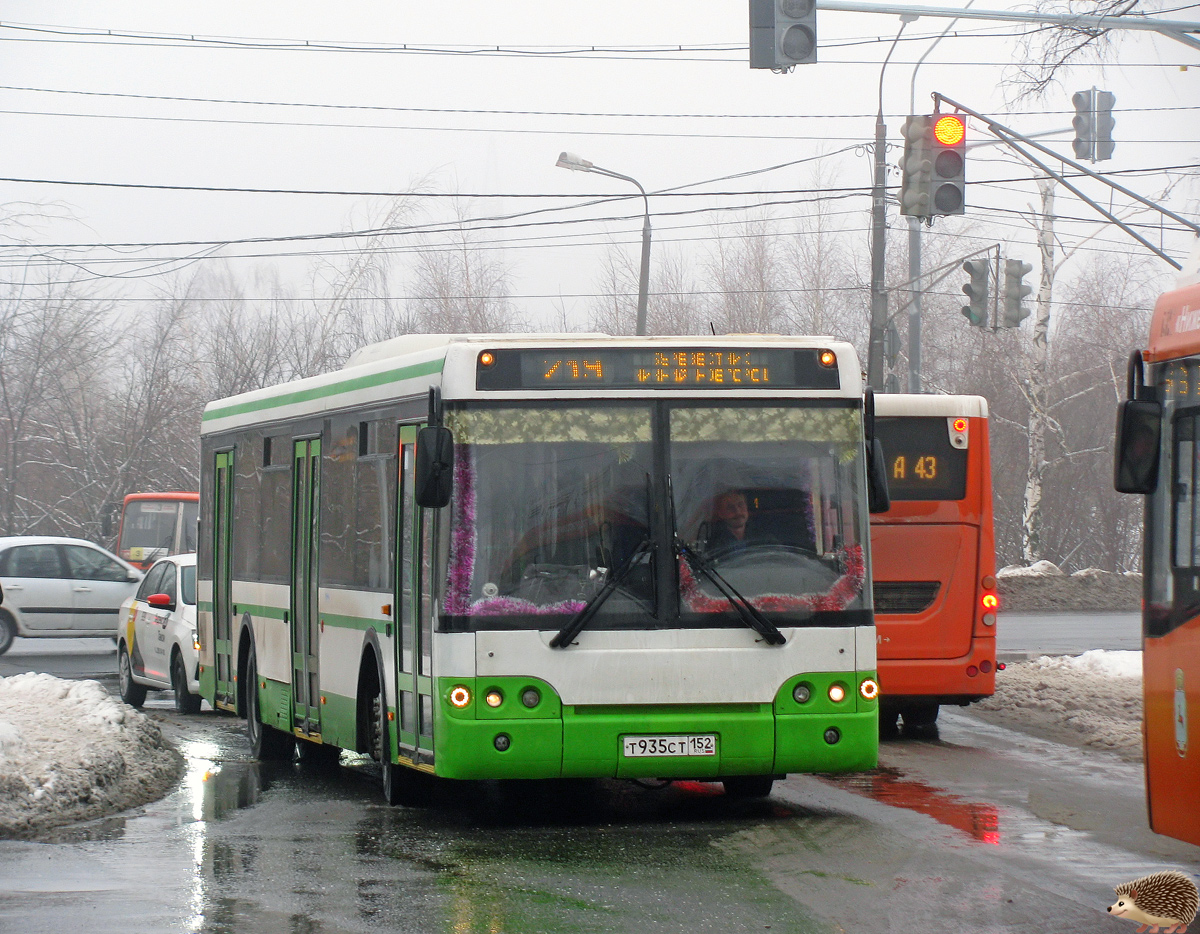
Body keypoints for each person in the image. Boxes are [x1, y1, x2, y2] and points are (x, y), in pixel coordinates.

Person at [704, 489, 754, 557]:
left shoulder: (762, 535)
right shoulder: (714, 541)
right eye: (730, 507)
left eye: (740, 505)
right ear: (721, 513)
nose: (737, 511)